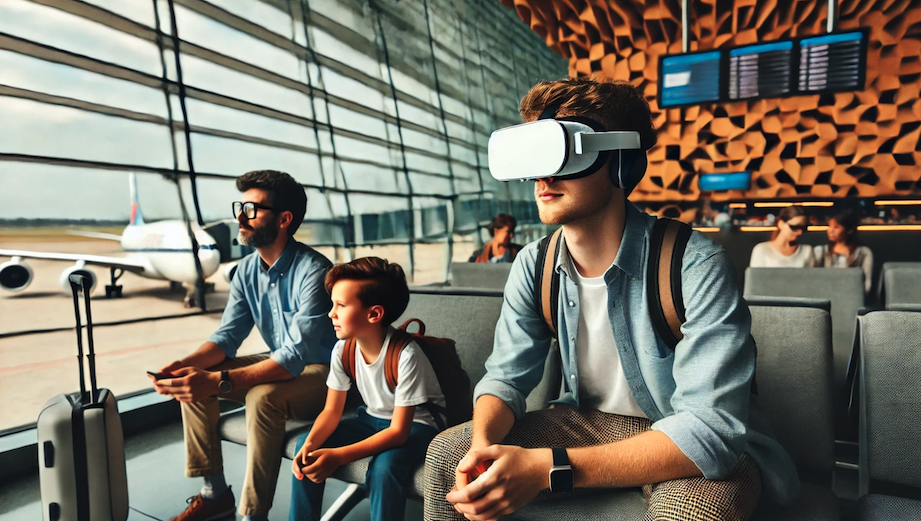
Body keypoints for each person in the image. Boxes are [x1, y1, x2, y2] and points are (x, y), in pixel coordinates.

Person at [424, 78, 798, 521]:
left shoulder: (694, 263)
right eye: (536, 156)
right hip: (585, 420)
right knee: (450, 456)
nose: (543, 177)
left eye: (565, 154)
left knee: (694, 513)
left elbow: (710, 430)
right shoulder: (534, 264)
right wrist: (483, 444)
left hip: (683, 435)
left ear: (622, 163)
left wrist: (551, 467)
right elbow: (505, 377)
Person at [152, 170, 338, 521]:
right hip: (284, 365)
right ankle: (214, 494)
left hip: (327, 375)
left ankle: (253, 515)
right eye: (241, 206)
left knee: (261, 396)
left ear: (284, 219)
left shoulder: (315, 272)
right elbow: (227, 338)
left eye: (252, 209)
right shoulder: (248, 269)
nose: (240, 216)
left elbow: (293, 359)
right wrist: (184, 363)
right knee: (197, 375)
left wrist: (220, 381)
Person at [290, 257, 445, 521]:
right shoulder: (343, 349)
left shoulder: (407, 355)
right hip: (372, 419)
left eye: (341, 305)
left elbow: (398, 433)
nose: (331, 313)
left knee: (385, 467)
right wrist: (313, 443)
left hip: (417, 427)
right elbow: (331, 411)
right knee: (306, 446)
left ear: (374, 314)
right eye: (333, 304)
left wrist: (337, 456)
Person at [814, 209, 874, 295]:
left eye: (836, 227)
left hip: (852, 296)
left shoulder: (863, 253)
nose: (830, 230)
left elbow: (867, 283)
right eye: (829, 226)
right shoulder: (820, 251)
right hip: (825, 294)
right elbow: (814, 279)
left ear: (849, 230)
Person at [749, 206, 814, 268]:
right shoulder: (761, 249)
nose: (800, 232)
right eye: (794, 227)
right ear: (781, 224)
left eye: (804, 228)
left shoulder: (807, 250)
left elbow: (811, 277)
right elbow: (756, 277)